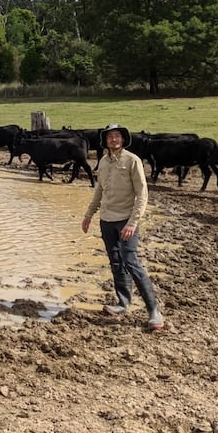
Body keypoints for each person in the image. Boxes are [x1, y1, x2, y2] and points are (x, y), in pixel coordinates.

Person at [81, 123, 164, 331]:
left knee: (131, 261)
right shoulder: (103, 161)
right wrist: (88, 214)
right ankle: (123, 302)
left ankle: (154, 310)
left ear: (124, 140)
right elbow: (99, 190)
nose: (114, 140)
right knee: (116, 262)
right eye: (110, 137)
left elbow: (142, 195)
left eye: (117, 136)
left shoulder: (132, 161)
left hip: (126, 221)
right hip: (106, 220)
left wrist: (133, 222)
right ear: (105, 141)